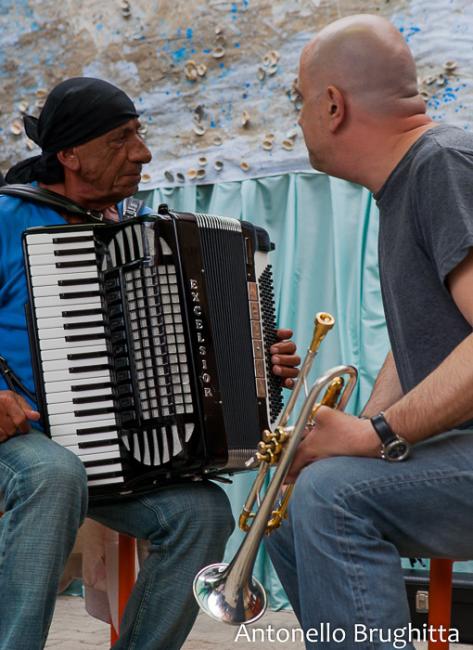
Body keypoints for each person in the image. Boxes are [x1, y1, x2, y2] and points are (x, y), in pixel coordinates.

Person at [0, 77, 300, 650]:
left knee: (203, 512)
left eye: (139, 133)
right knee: (53, 473)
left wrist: (258, 364)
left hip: (115, 453)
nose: (142, 152)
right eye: (121, 138)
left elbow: (185, 348)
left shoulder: (133, 230)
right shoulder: (8, 218)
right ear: (69, 155)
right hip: (20, 441)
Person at [265, 14, 473, 650]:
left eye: (299, 100)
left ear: (332, 105)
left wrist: (377, 432)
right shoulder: (407, 180)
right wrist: (358, 440)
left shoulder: (442, 166)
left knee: (330, 498)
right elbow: (426, 345)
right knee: (287, 512)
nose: (297, 118)